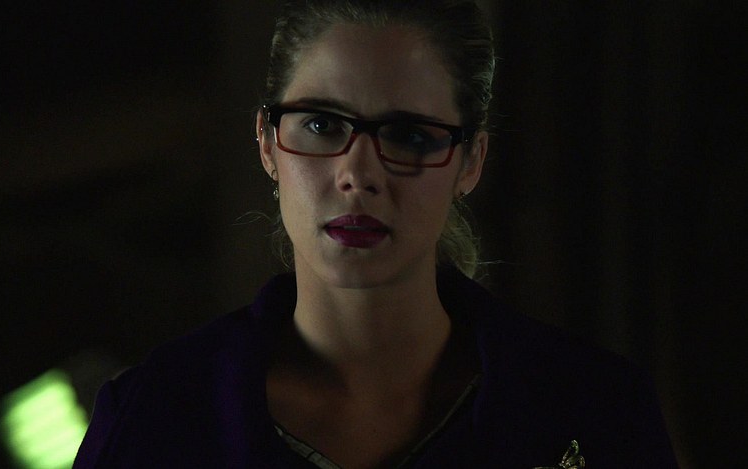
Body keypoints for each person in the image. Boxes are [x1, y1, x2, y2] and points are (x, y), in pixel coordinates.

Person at [74, 1, 678, 467]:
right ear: (267, 142)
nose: (358, 174)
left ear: (471, 162)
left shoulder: (594, 409)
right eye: (320, 124)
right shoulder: (155, 418)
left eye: (409, 135)